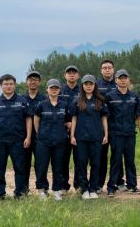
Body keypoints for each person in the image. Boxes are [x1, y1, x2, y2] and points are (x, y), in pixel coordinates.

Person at [0, 74, 33, 201]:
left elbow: (28, 119)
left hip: (18, 140)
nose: (8, 86)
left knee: (20, 169)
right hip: (0, 141)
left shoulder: (22, 101)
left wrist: (28, 137)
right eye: (6, 84)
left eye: (11, 84)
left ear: (14, 85)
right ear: (1, 86)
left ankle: (20, 194)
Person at [70, 75, 110, 200]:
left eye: (91, 84)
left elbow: (104, 118)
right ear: (82, 85)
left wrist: (106, 134)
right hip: (80, 137)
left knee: (95, 163)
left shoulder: (100, 101)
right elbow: (74, 119)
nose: (88, 86)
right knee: (81, 163)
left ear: (94, 85)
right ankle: (84, 189)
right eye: (86, 84)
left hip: (96, 136)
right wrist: (72, 135)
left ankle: (93, 188)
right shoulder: (76, 101)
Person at [105, 70, 140, 197]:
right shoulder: (110, 96)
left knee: (130, 160)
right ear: (116, 80)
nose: (123, 80)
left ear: (128, 79)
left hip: (130, 133)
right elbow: (106, 116)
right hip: (115, 134)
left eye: (125, 77)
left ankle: (132, 186)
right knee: (115, 160)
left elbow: (137, 115)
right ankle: (111, 187)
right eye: (120, 78)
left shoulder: (134, 96)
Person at [33, 79, 70, 201]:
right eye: (51, 87)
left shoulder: (64, 105)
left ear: (59, 89)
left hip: (60, 142)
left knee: (58, 167)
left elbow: (68, 122)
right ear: (47, 89)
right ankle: (41, 191)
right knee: (41, 166)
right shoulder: (41, 105)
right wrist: (41, 134)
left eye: (56, 88)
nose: (54, 90)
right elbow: (36, 121)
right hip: (43, 141)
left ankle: (56, 191)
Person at [96, 59, 125, 194]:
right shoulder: (97, 85)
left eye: (109, 68)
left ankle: (119, 182)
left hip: (116, 125)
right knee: (101, 156)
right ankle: (98, 183)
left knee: (117, 155)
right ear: (101, 70)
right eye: (104, 68)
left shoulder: (119, 83)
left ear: (113, 69)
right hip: (100, 126)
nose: (107, 70)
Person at [21, 71, 47, 193]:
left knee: (41, 164)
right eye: (30, 79)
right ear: (27, 81)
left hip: (40, 137)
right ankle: (24, 189)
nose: (33, 81)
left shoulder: (44, 99)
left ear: (39, 82)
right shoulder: (20, 99)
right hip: (24, 137)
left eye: (36, 79)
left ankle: (42, 188)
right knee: (24, 164)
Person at [59, 65, 81, 195]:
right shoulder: (59, 90)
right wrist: (66, 122)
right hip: (62, 130)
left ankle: (78, 185)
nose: (71, 75)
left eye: (74, 72)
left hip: (79, 130)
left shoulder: (83, 90)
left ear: (78, 75)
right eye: (69, 73)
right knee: (63, 159)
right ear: (65, 75)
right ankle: (63, 186)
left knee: (79, 159)